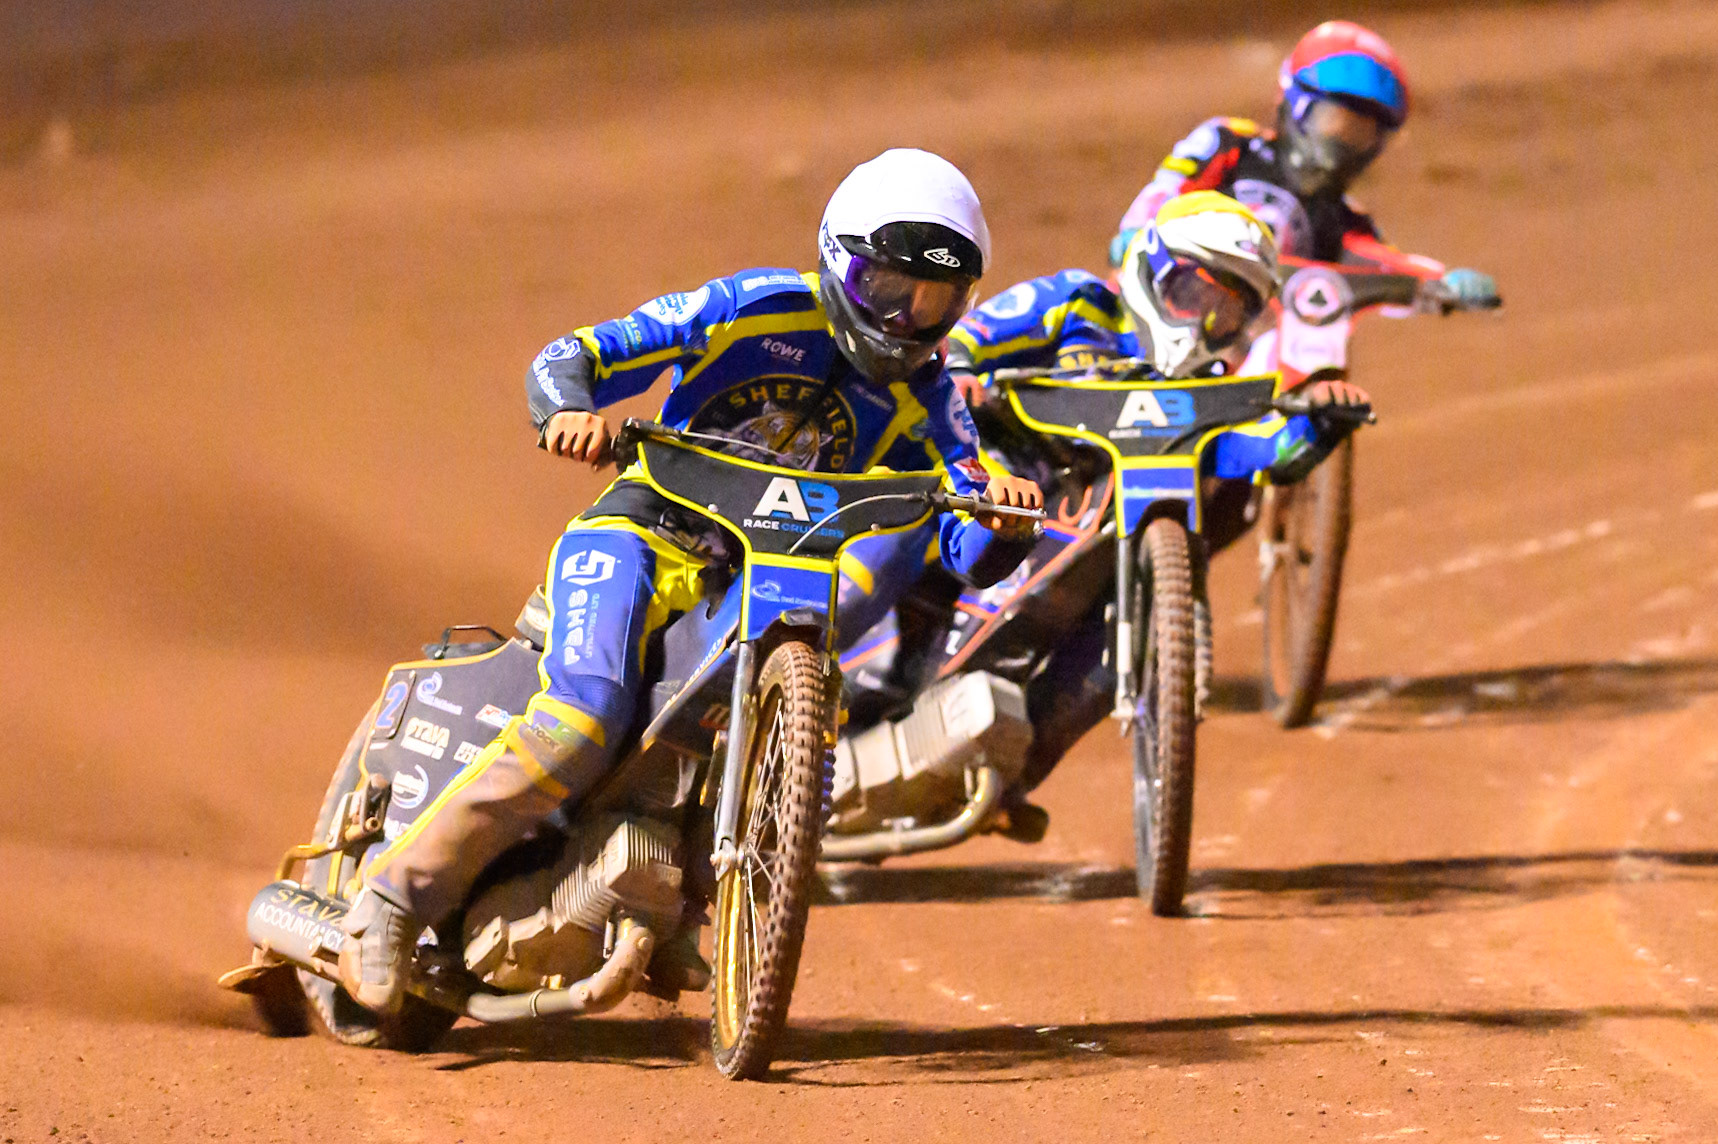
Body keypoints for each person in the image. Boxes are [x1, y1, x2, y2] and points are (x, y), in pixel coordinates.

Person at [338, 148, 1043, 1014]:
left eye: (935, 301)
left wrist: (1002, 523)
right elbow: (580, 352)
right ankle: (390, 903)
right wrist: (568, 411)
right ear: (836, 258)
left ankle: (680, 899)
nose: (907, 319)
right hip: (640, 533)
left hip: (765, 574)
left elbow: (967, 533)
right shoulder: (753, 307)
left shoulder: (934, 400)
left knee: (753, 725)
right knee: (584, 718)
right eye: (889, 288)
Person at [943, 190, 1368, 830]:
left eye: (1226, 313)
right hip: (996, 486)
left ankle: (1008, 778)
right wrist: (962, 373)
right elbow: (965, 340)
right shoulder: (1078, 299)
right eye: (1194, 295)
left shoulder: (1203, 388)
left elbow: (1254, 454)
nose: (1202, 324)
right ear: (1152, 269)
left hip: (1103, 529)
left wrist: (1320, 426)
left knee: (1121, 652)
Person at [1111, 20, 1500, 314]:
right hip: (1150, 310)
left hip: (1235, 358)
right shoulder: (1230, 145)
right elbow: (1166, 191)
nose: (1343, 143)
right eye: (1335, 121)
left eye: (1361, 132)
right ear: (1296, 104)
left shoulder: (1344, 223)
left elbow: (1387, 271)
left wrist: (1440, 281)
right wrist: (1138, 232)